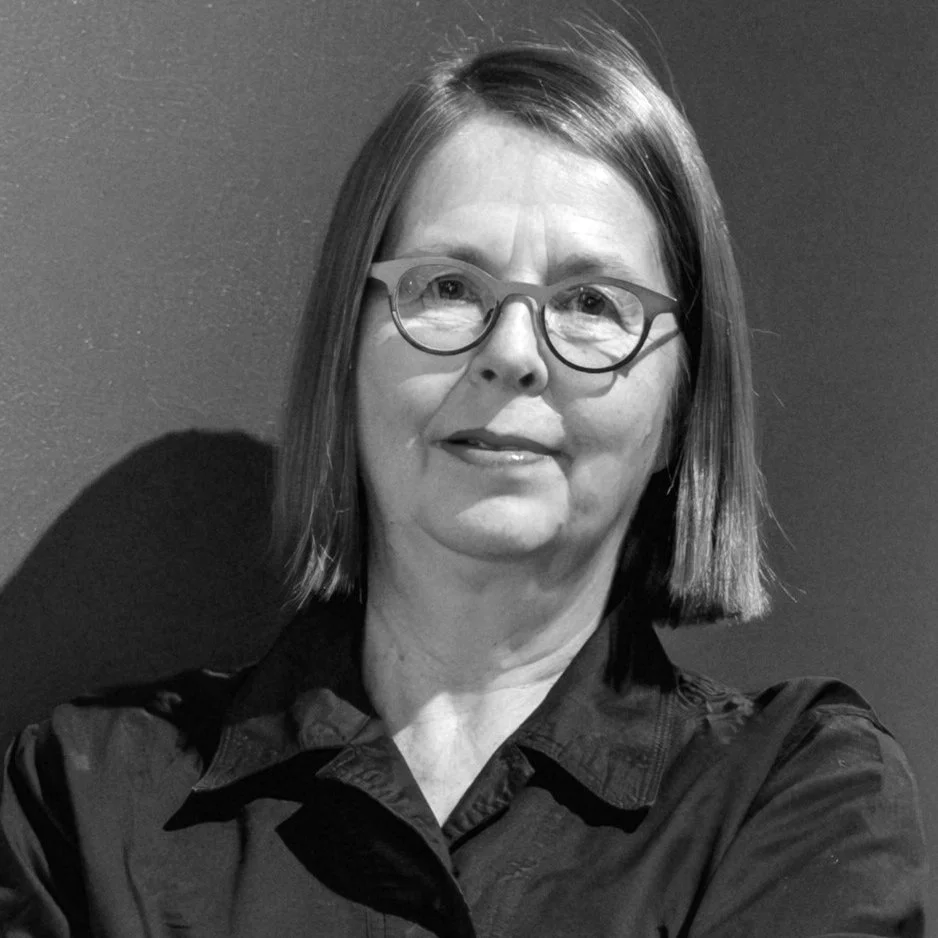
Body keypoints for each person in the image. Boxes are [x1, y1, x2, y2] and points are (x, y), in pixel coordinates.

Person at [0, 26, 926, 938]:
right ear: (345, 356)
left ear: (681, 409)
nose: (513, 353)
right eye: (448, 287)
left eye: (592, 302)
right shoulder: (87, 800)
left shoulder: (795, 798)